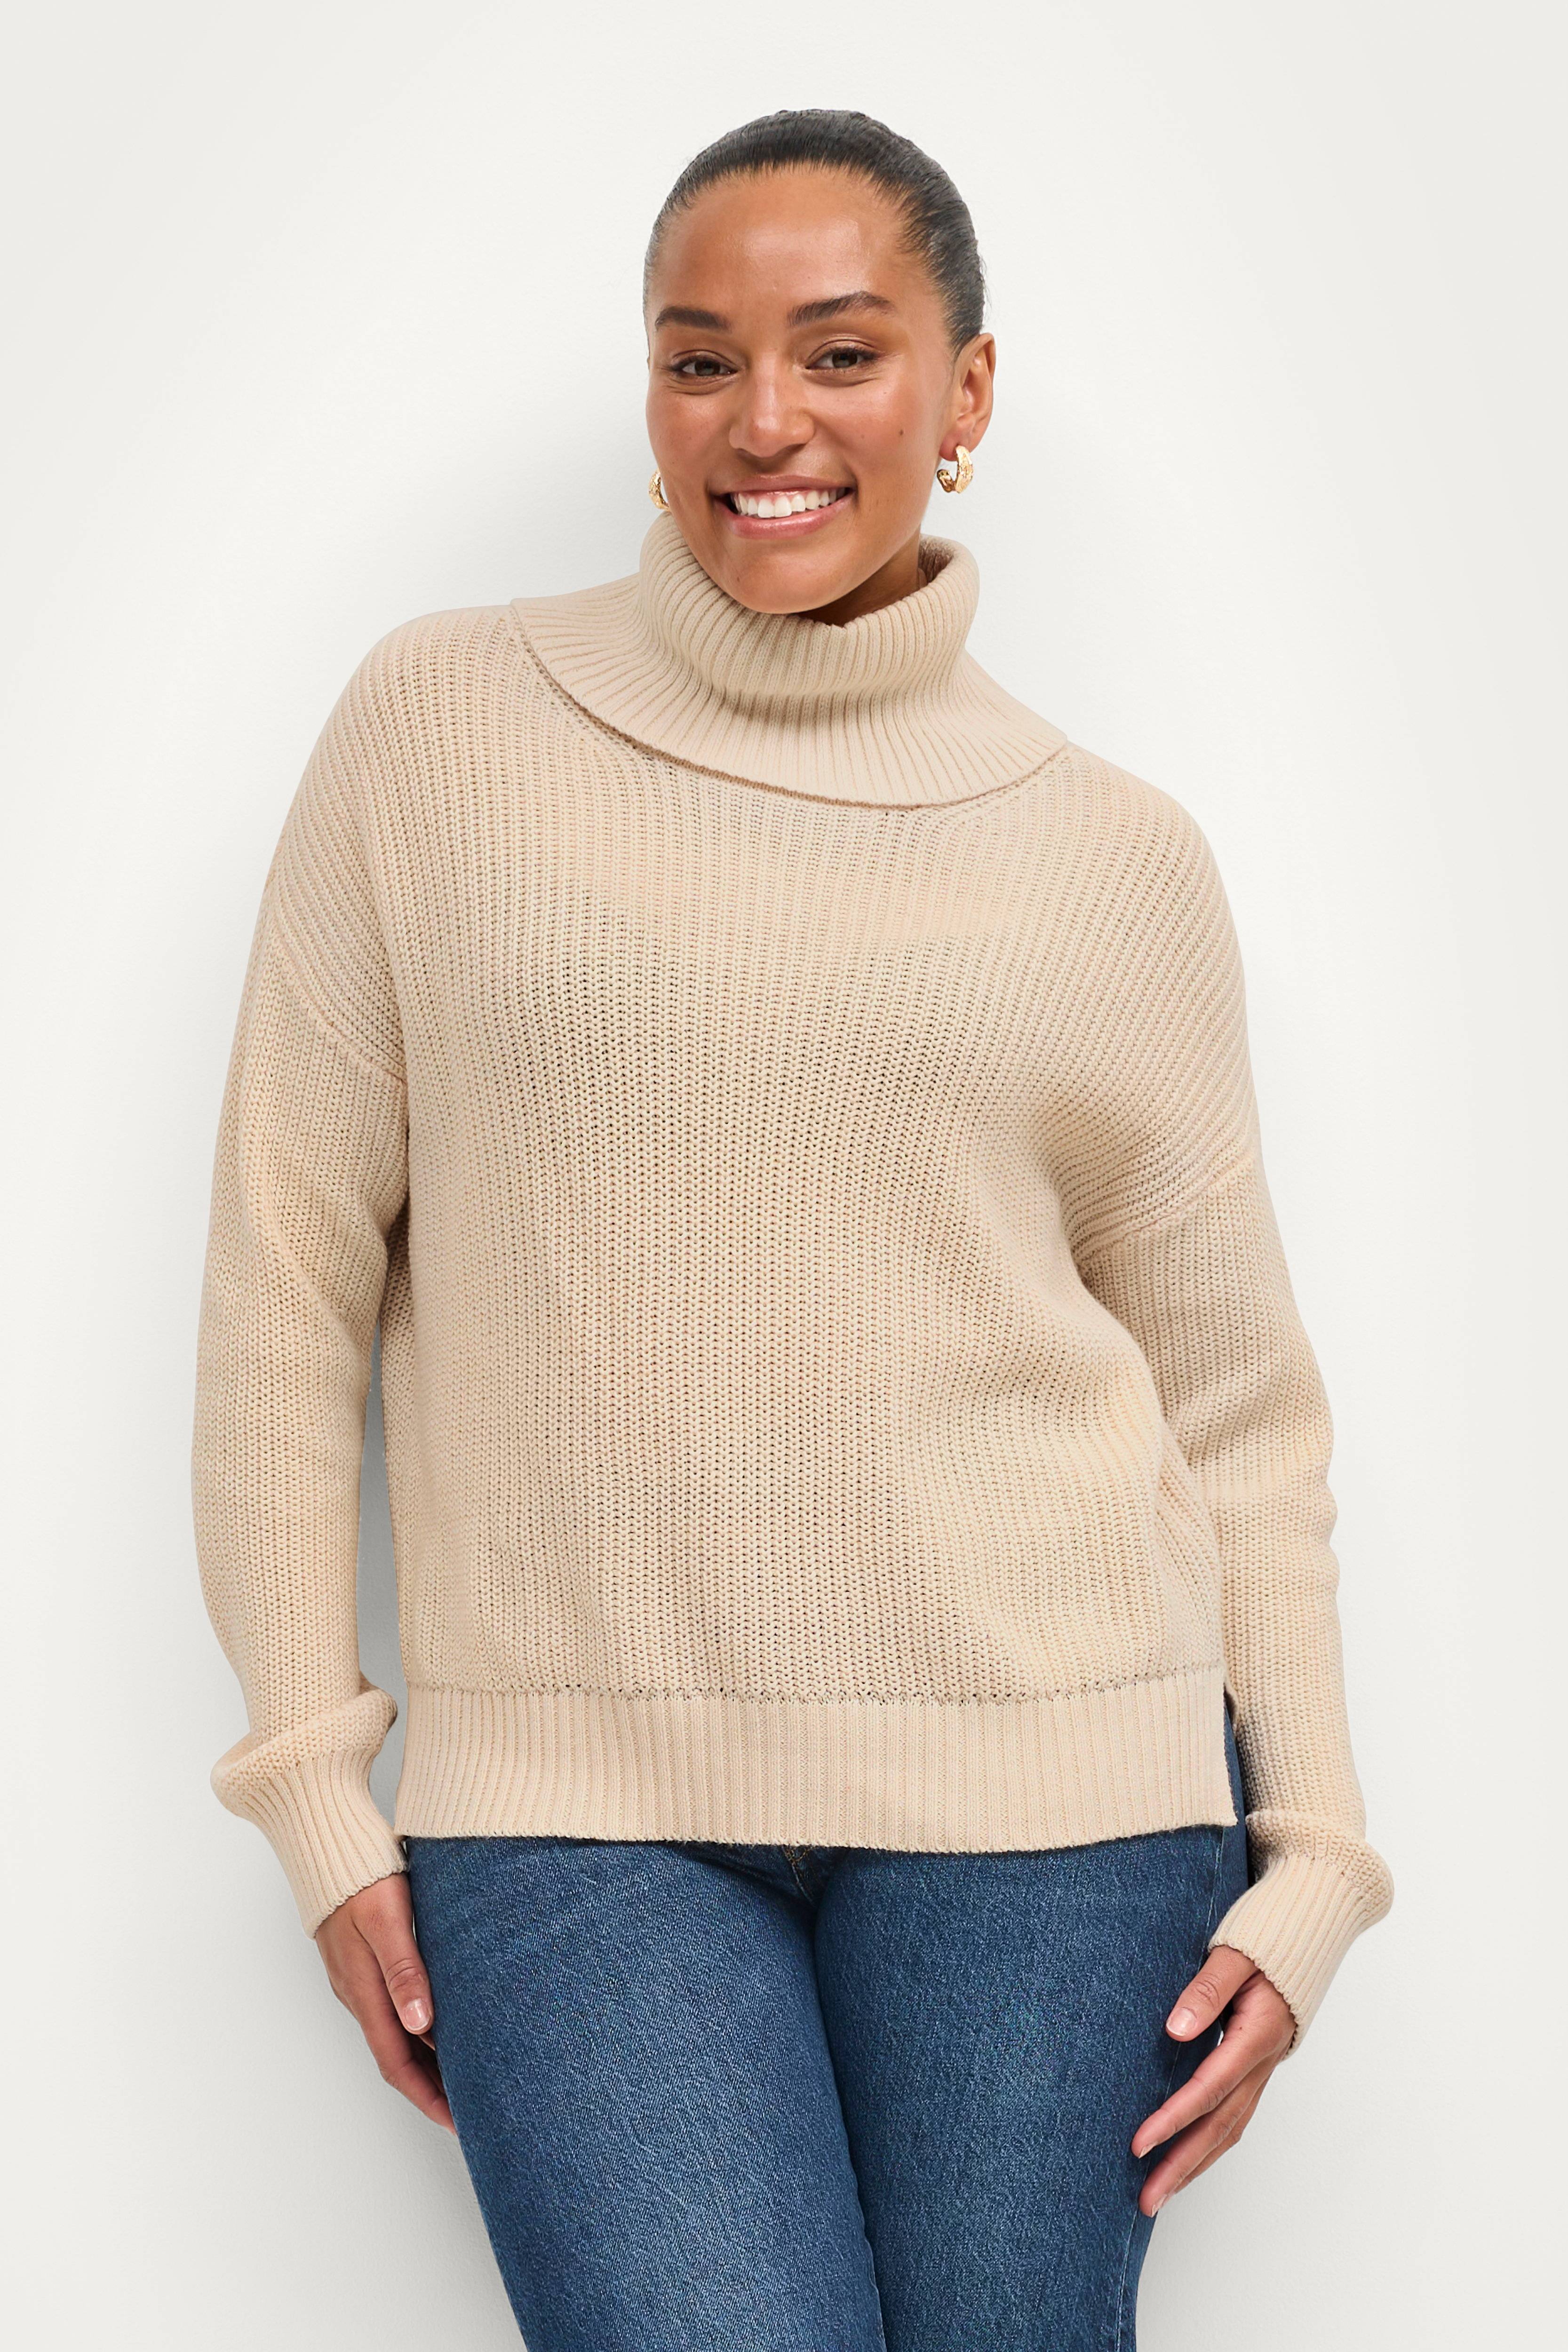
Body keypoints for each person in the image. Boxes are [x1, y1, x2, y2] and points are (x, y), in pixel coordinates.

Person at [191, 107, 1394, 2352]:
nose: (765, 421)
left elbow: (1239, 1398)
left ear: (967, 388)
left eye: (842, 352)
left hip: (1061, 1806)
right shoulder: (439, 728)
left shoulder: (1115, 857)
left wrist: (1315, 1846)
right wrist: (315, 1793)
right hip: (577, 1817)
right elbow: (286, 1277)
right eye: (699, 358)